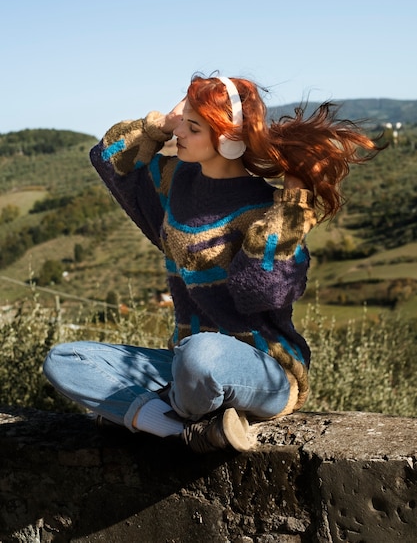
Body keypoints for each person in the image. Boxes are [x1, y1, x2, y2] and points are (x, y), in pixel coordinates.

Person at [43, 74, 384, 453]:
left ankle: (146, 413)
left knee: (199, 353)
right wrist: (160, 126)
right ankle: (186, 431)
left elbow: (259, 292)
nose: (181, 135)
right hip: (186, 369)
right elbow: (109, 157)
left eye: (193, 127)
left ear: (228, 138)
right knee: (66, 359)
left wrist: (292, 206)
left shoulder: (267, 210)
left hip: (261, 368)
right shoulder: (174, 181)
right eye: (182, 123)